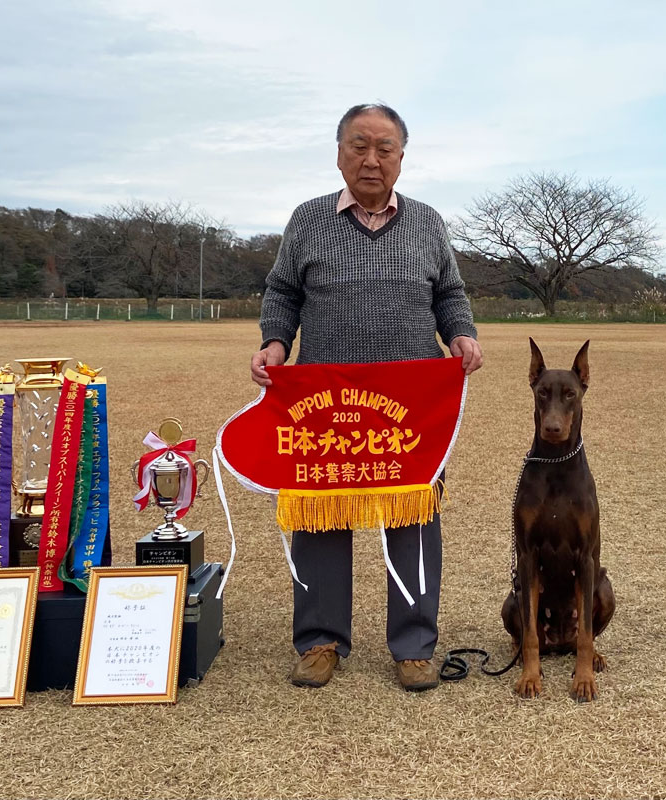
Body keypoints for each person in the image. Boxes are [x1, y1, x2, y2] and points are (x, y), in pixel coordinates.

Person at [250, 103, 483, 691]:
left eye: (385, 148)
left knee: (413, 514)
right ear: (338, 153)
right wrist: (275, 343)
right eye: (359, 145)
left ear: (402, 157)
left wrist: (462, 335)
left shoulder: (428, 222)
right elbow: (282, 293)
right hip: (323, 402)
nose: (371, 159)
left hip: (411, 406)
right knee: (322, 516)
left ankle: (414, 645)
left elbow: (450, 294)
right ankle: (320, 641)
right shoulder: (308, 220)